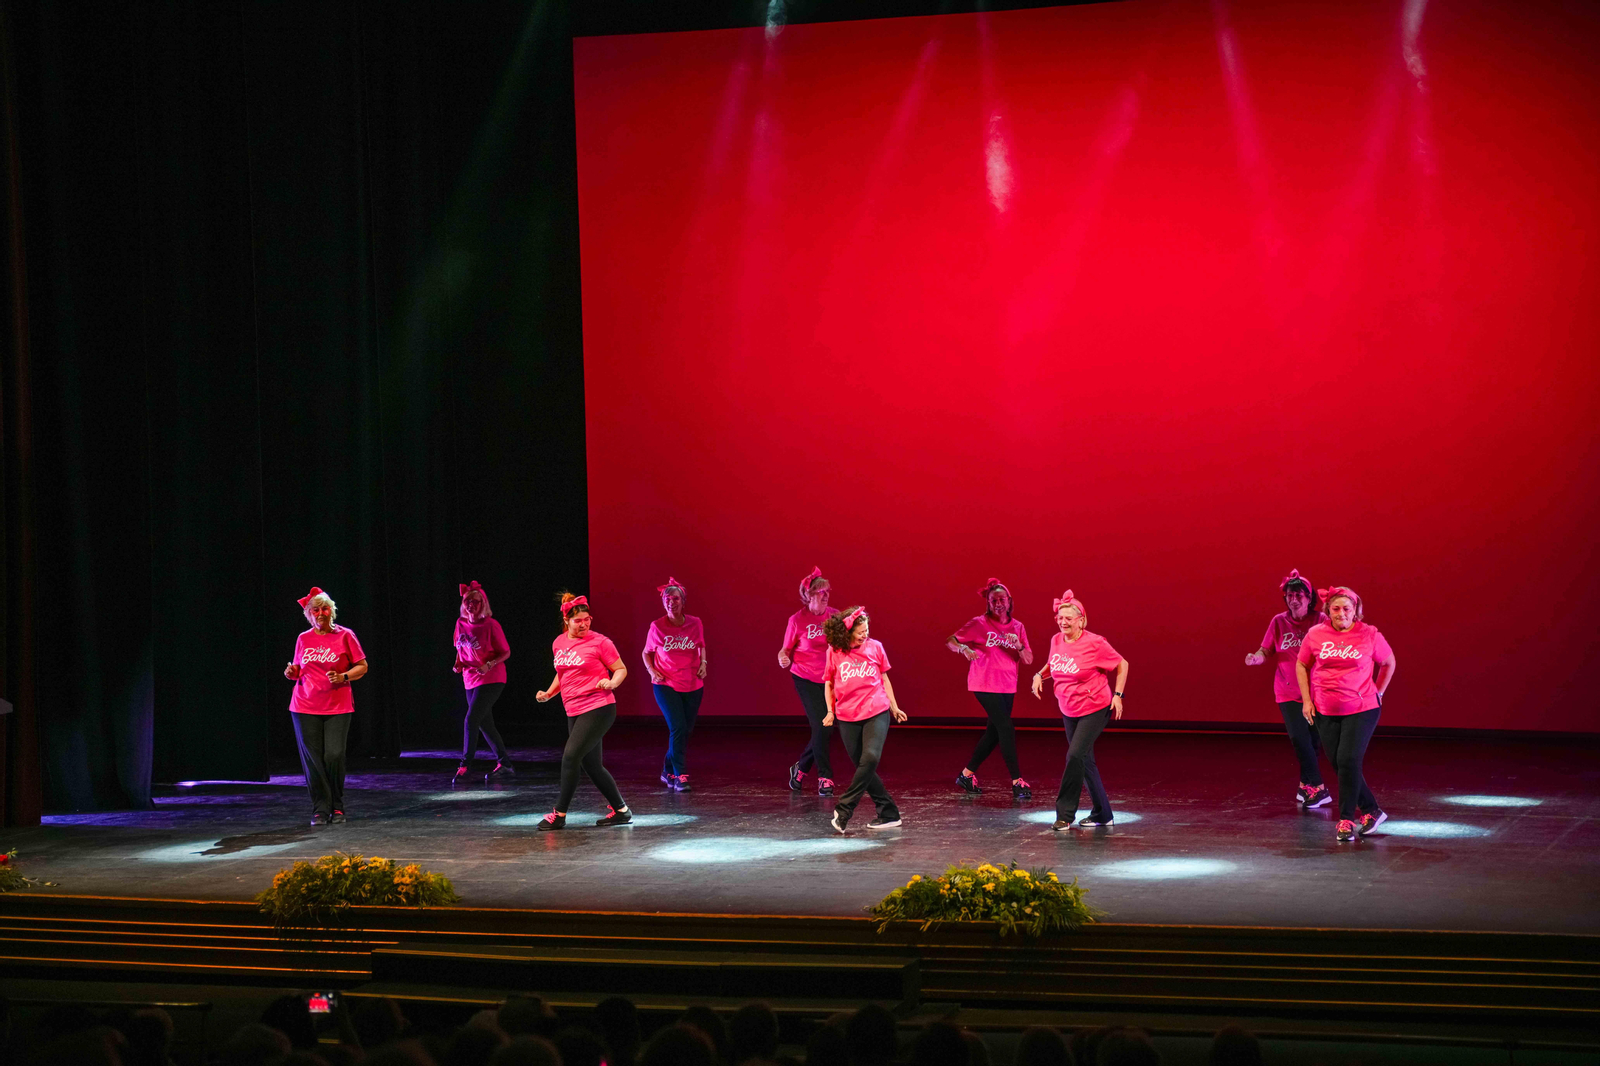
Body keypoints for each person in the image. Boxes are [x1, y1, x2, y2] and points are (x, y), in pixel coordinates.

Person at [1296, 585, 1396, 842]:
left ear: (1355, 610)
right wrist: (1306, 700)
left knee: (1349, 761)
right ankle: (1372, 810)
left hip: (1362, 708)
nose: (1342, 613)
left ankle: (1346, 820)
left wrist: (1379, 692)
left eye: (1347, 609)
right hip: (1325, 709)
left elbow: (1388, 662)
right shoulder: (1316, 634)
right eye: (1336, 609)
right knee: (1340, 764)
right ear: (1328, 611)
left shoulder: (1369, 634)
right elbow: (1301, 663)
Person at [1029, 590, 1128, 831]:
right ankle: (1103, 814)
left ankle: (1064, 815)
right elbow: (1055, 663)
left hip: (1095, 707)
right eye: (1060, 618)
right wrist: (1039, 675)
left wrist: (1118, 695)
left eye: (1068, 618)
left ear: (1081, 620)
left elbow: (1122, 664)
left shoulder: (1095, 643)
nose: (1063, 622)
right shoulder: (1056, 640)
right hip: (1069, 709)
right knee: (1085, 761)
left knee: (1074, 756)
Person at [534, 593, 632, 829]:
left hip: (599, 706)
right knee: (592, 765)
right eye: (578, 620)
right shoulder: (558, 643)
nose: (584, 624)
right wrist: (549, 693)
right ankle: (621, 811)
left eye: (587, 619)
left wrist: (612, 683)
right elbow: (563, 672)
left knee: (570, 757)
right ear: (566, 621)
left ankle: (559, 815)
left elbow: (620, 669)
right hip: (574, 710)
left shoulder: (600, 642)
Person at [1244, 569, 1331, 807]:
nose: (1293, 600)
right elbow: (1266, 650)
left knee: (1313, 742)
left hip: (1316, 692)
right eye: (1290, 595)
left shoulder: (1321, 620)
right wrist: (1256, 658)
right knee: (1299, 739)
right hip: (1287, 691)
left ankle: (1305, 787)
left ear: (1309, 598)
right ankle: (1319, 788)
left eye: (1298, 595)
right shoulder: (1278, 621)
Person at [284, 587, 368, 826]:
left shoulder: (345, 635)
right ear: (309, 615)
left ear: (332, 611)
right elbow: (299, 669)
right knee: (313, 759)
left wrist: (343, 676)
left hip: (337, 705)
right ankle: (320, 808)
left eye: (324, 608)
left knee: (334, 754)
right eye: (315, 610)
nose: (320, 613)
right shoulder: (303, 638)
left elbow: (362, 666)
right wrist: (291, 672)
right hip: (304, 704)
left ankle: (337, 805)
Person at [822, 607, 908, 833]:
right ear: (848, 632)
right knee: (864, 768)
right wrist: (830, 711)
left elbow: (884, 678)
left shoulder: (875, 647)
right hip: (847, 716)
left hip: (876, 710)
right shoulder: (834, 651)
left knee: (869, 759)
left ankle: (844, 809)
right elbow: (829, 683)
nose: (865, 635)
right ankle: (889, 813)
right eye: (860, 631)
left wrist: (894, 706)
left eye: (867, 630)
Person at [947, 578, 1034, 799]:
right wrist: (963, 649)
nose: (998, 604)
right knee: (1006, 728)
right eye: (993, 600)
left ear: (1009, 601)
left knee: (994, 733)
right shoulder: (979, 623)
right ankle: (1017, 781)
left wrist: (1018, 645)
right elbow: (951, 640)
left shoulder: (1018, 627)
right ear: (988, 603)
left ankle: (966, 775)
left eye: (1001, 600)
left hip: (1007, 686)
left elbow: (1028, 659)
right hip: (984, 683)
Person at [779, 566, 842, 795]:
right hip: (805, 678)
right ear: (808, 594)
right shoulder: (797, 620)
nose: (826, 595)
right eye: (821, 592)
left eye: (828, 591)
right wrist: (783, 658)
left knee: (826, 727)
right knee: (822, 725)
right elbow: (785, 650)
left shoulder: (835, 616)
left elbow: (844, 644)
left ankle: (801, 768)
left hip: (829, 680)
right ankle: (825, 777)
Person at [642, 577, 708, 793]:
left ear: (683, 601)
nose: (671, 603)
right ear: (663, 602)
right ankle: (680, 775)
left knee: (685, 731)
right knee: (678, 728)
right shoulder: (657, 626)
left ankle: (667, 769)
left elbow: (700, 646)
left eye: (676, 599)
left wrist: (704, 663)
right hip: (665, 683)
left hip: (693, 683)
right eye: (667, 599)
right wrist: (652, 671)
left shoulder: (695, 623)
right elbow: (646, 653)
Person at [453, 581, 515, 785]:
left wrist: (489, 664)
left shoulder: (491, 625)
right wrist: (458, 663)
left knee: (471, 720)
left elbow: (506, 652)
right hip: (470, 679)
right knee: (484, 724)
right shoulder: (460, 623)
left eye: (475, 601)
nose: (471, 605)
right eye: (467, 601)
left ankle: (465, 766)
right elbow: (460, 648)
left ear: (483, 603)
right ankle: (505, 764)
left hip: (491, 677)